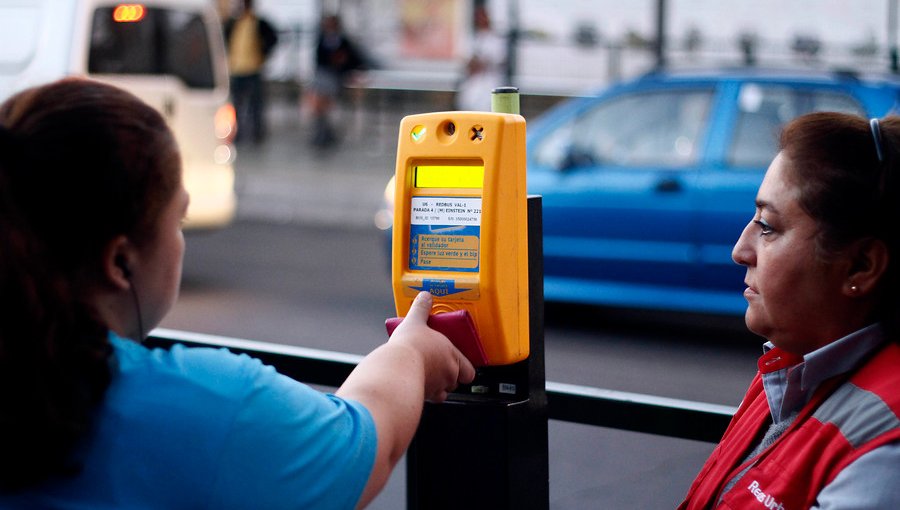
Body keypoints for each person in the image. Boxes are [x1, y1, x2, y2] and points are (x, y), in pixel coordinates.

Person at [0, 77, 474, 508]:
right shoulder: (203, 407)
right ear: (120, 262)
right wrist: (410, 354)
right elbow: (372, 442)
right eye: (177, 220)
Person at [679, 112, 900, 508]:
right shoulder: (793, 365)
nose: (740, 251)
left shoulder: (887, 453)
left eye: (767, 226)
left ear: (862, 266)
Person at [307, 14, 368, 148]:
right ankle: (322, 132)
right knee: (319, 105)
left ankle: (325, 133)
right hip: (323, 78)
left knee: (323, 104)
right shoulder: (322, 41)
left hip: (335, 78)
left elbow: (355, 60)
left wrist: (342, 63)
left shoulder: (344, 42)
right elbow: (319, 61)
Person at [224, 0, 278, 144]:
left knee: (255, 105)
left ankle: (257, 135)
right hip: (236, 69)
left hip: (253, 69)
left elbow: (273, 39)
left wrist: (263, 53)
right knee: (236, 106)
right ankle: (238, 134)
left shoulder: (258, 23)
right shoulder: (234, 23)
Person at [455, 5, 506, 112]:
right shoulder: (473, 38)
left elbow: (497, 60)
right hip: (474, 82)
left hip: (489, 82)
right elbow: (466, 61)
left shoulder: (495, 39)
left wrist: (482, 62)